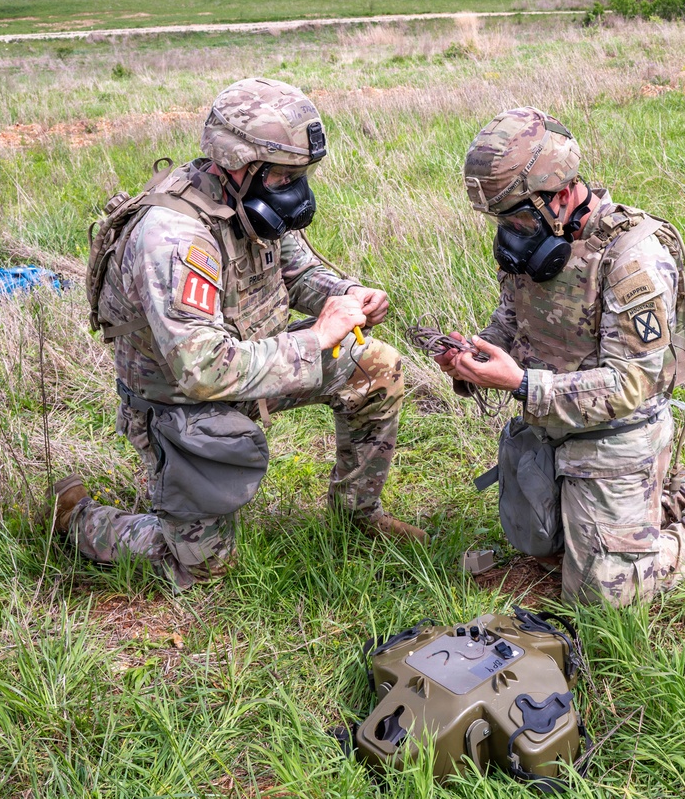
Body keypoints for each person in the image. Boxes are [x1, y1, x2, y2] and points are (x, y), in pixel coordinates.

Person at [51, 78, 426, 592]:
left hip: (254, 365)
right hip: (183, 405)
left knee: (374, 367)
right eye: (284, 176)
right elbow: (202, 370)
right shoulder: (174, 238)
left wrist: (347, 294)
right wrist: (316, 338)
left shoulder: (249, 204)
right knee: (200, 567)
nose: (296, 191)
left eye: (302, 175)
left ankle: (358, 514)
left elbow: (298, 271)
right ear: (236, 162)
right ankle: (77, 518)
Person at [437, 106, 685, 607]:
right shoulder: (538, 240)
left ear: (560, 196)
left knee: (601, 597)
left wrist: (521, 384)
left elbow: (630, 385)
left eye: (516, 216)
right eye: (501, 219)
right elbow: (511, 318)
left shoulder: (632, 259)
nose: (509, 232)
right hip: (549, 427)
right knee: (538, 546)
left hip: (616, 435)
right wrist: (476, 355)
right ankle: (648, 510)